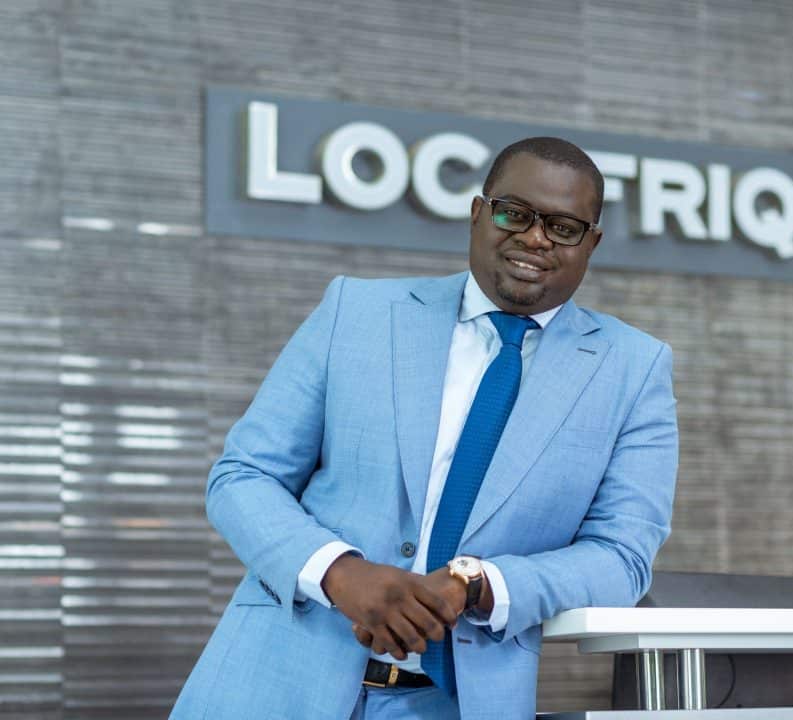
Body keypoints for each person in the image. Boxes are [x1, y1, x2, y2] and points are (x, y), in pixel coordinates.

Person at [170, 137, 678, 719]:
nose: (536, 238)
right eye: (514, 214)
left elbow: (622, 556)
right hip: (273, 681)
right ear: (478, 213)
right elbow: (244, 476)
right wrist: (340, 572)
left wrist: (478, 583)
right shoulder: (355, 312)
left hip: (455, 703)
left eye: (564, 228)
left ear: (592, 243)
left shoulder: (633, 369)